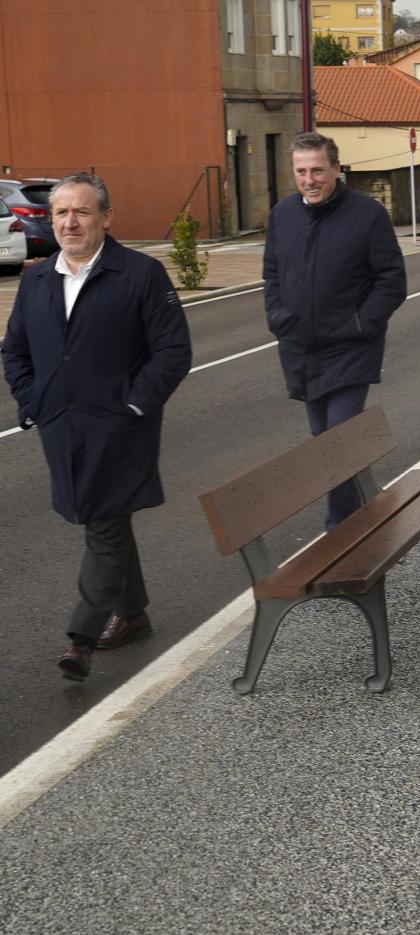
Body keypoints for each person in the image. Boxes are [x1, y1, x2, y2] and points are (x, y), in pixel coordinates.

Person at [2, 173, 192, 681]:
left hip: (120, 428)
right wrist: (33, 401)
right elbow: (15, 350)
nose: (69, 222)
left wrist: (134, 406)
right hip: (60, 426)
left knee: (104, 527)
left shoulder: (140, 275)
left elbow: (173, 352)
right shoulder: (36, 280)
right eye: (60, 212)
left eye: (81, 212)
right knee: (100, 519)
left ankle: (82, 637)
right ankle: (133, 614)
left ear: (106, 218)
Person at [263, 131, 407, 529]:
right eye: (301, 171)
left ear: (336, 170)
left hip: (350, 350)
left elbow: (392, 280)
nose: (309, 179)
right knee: (324, 440)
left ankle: (338, 530)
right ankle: (372, 514)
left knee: (336, 443)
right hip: (301, 350)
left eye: (317, 170)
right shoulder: (283, 215)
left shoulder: (367, 214)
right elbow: (272, 273)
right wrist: (278, 317)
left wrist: (361, 324)